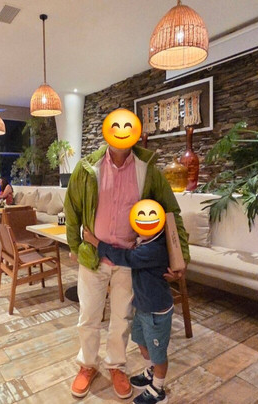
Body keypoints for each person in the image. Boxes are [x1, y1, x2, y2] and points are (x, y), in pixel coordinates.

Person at [64, 108, 189, 399]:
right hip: (93, 257)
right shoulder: (87, 168)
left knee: (122, 318)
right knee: (88, 315)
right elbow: (72, 210)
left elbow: (171, 212)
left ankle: (115, 365)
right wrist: (74, 247)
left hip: (131, 260)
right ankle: (87, 364)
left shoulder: (148, 170)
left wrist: (180, 256)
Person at [83, 199, 177, 404]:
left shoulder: (153, 249)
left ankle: (158, 390)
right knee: (141, 341)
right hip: (143, 307)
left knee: (158, 353)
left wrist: (96, 242)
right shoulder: (145, 241)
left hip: (156, 312)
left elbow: (125, 257)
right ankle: (151, 371)